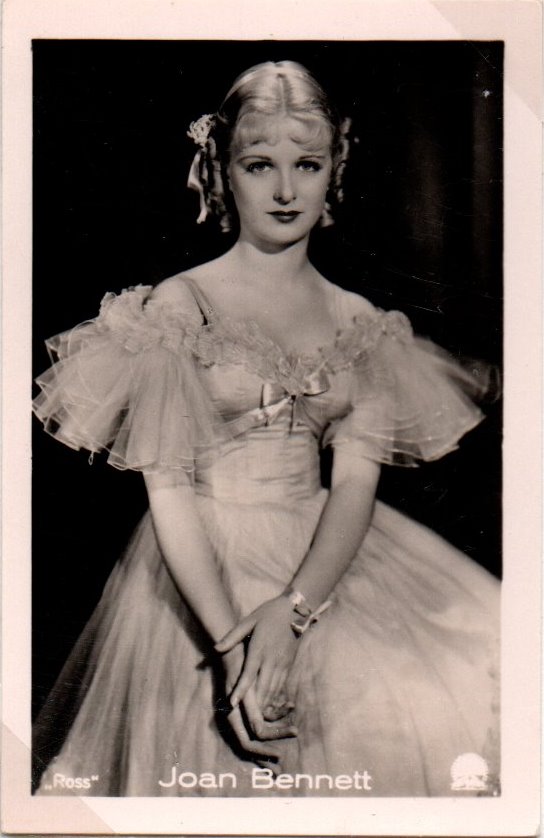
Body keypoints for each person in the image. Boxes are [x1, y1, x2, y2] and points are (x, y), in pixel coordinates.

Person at [32, 60, 500, 797]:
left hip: (326, 557)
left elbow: (354, 483)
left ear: (334, 168)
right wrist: (232, 645)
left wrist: (293, 611)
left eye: (306, 164)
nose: (286, 190)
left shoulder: (359, 319)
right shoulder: (181, 305)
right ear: (222, 171)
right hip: (201, 561)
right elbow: (169, 487)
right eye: (259, 165)